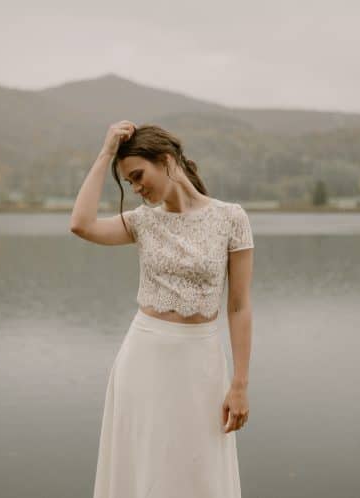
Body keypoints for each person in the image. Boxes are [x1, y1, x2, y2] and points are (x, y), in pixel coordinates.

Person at [70, 120, 254, 498]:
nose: (137, 188)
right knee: (146, 467)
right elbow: (81, 224)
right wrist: (105, 153)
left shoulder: (230, 218)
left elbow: (238, 306)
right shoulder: (143, 222)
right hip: (145, 358)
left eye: (138, 175)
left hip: (202, 362)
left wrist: (239, 384)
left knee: (197, 470)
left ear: (167, 161)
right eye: (130, 182)